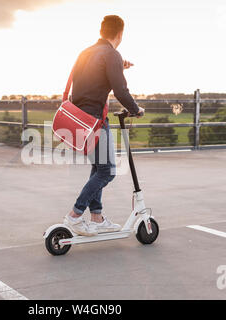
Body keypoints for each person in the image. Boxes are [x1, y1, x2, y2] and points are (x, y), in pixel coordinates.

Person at [63, 15, 145, 236]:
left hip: (78, 118)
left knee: (98, 168)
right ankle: (75, 215)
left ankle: (97, 217)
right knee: (107, 171)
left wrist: (119, 67)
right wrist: (136, 110)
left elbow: (93, 79)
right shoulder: (112, 54)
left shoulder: (86, 52)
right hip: (95, 121)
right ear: (120, 34)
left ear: (101, 31)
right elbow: (120, 91)